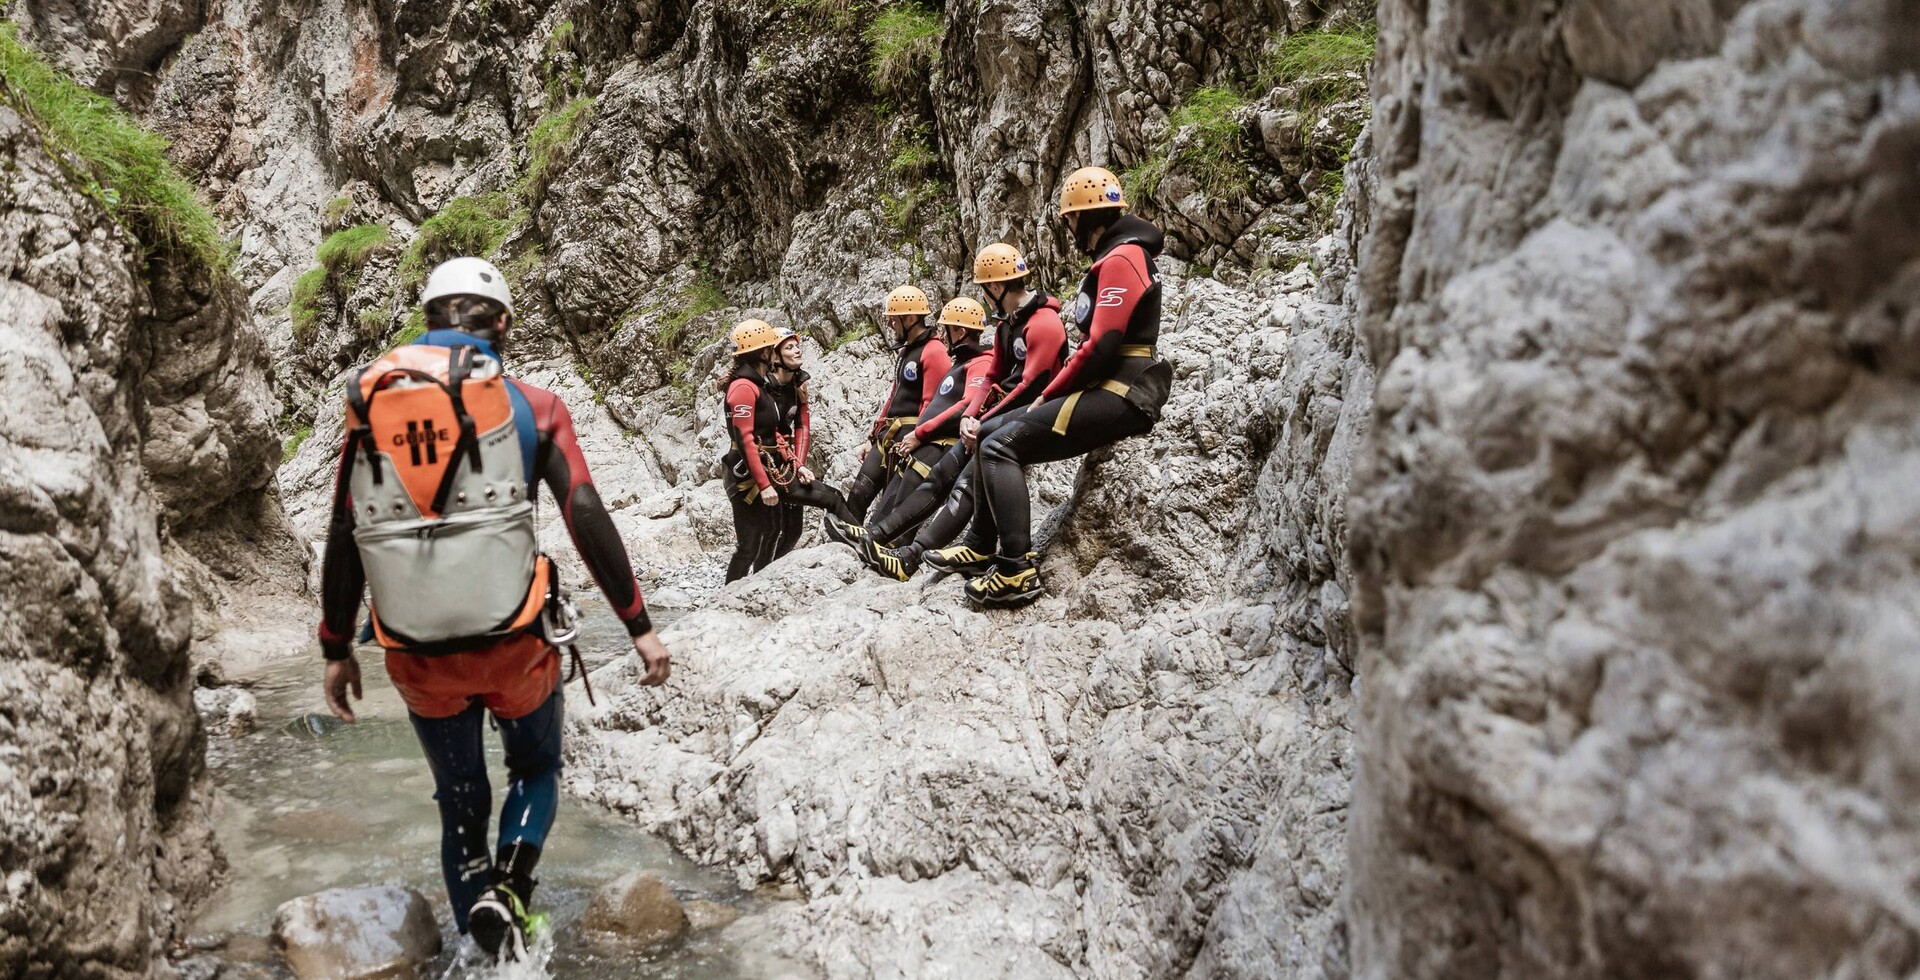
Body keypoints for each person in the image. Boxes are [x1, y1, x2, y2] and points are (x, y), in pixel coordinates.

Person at [316, 257, 673, 963]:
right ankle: (509, 892)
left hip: (416, 655)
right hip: (516, 646)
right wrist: (639, 628)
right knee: (535, 770)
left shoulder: (372, 409)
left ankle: (483, 961)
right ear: (501, 324)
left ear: (428, 321)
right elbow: (584, 511)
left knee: (459, 797)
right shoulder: (534, 406)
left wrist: (335, 648)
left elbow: (343, 535)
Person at [961, 166, 1172, 607]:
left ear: (1086, 218)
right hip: (1111, 387)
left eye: (1070, 219)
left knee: (1001, 447)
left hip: (1122, 392)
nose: (1068, 228)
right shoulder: (1116, 257)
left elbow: (1100, 345)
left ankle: (1016, 569)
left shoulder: (1121, 259)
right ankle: (982, 546)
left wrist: (1049, 393)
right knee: (988, 437)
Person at [838, 243, 1067, 579]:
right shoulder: (1007, 327)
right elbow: (992, 380)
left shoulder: (1044, 323)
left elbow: (1030, 385)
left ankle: (916, 554)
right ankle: (880, 538)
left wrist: (979, 422)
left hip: (1024, 417)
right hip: (992, 421)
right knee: (941, 479)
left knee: (963, 485)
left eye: (986, 289)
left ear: (996, 286)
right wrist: (974, 418)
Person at [851, 296, 993, 578]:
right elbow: (899, 395)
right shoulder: (954, 360)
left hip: (937, 443)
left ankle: (890, 564)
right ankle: (869, 551)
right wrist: (877, 432)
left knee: (907, 503)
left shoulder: (967, 359)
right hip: (920, 440)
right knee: (886, 504)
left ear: (960, 331)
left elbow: (961, 403)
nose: (942, 334)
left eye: (948, 328)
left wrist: (919, 433)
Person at [824, 285, 950, 536]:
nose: (890, 324)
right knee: (859, 492)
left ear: (911, 318)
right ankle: (846, 543)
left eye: (894, 319)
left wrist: (917, 438)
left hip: (908, 436)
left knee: (889, 505)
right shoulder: (906, 351)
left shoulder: (934, 351)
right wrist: (874, 436)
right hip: (888, 435)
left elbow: (932, 403)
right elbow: (894, 396)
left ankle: (873, 550)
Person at [763, 327, 852, 558]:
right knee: (833, 498)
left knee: (793, 531)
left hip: (787, 463)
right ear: (776, 356)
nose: (797, 350)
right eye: (789, 347)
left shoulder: (798, 384)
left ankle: (765, 574)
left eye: (797, 345)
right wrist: (797, 466)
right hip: (770, 464)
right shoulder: (765, 390)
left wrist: (798, 464)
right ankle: (866, 545)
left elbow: (802, 425)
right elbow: (772, 434)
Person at [721, 319, 793, 581]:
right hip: (745, 478)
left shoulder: (757, 384)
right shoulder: (743, 388)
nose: (776, 354)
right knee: (748, 545)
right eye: (773, 349)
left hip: (757, 471)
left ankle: (756, 585)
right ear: (764, 353)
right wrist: (764, 485)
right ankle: (726, 599)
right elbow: (744, 439)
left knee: (771, 531)